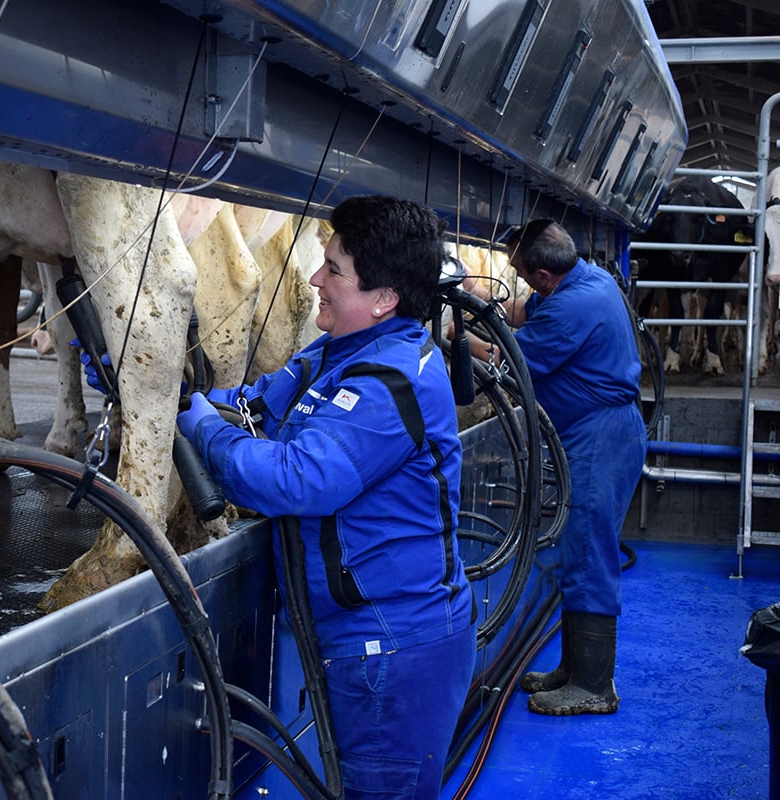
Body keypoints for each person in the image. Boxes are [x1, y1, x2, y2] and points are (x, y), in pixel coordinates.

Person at [175, 196, 475, 800]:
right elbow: (255, 403)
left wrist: (201, 427)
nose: (314, 278)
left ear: (384, 298)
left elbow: (294, 479)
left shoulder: (391, 380)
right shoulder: (335, 355)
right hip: (358, 638)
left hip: (394, 645)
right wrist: (166, 383)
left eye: (334, 269)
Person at [481, 219, 646, 716]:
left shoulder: (575, 304)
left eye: (521, 273)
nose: (523, 282)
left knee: (591, 553)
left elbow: (510, 362)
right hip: (592, 431)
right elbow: (519, 313)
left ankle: (595, 686)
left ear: (544, 275)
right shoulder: (583, 278)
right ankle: (573, 669)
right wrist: (479, 303)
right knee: (579, 550)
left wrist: (457, 337)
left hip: (602, 438)